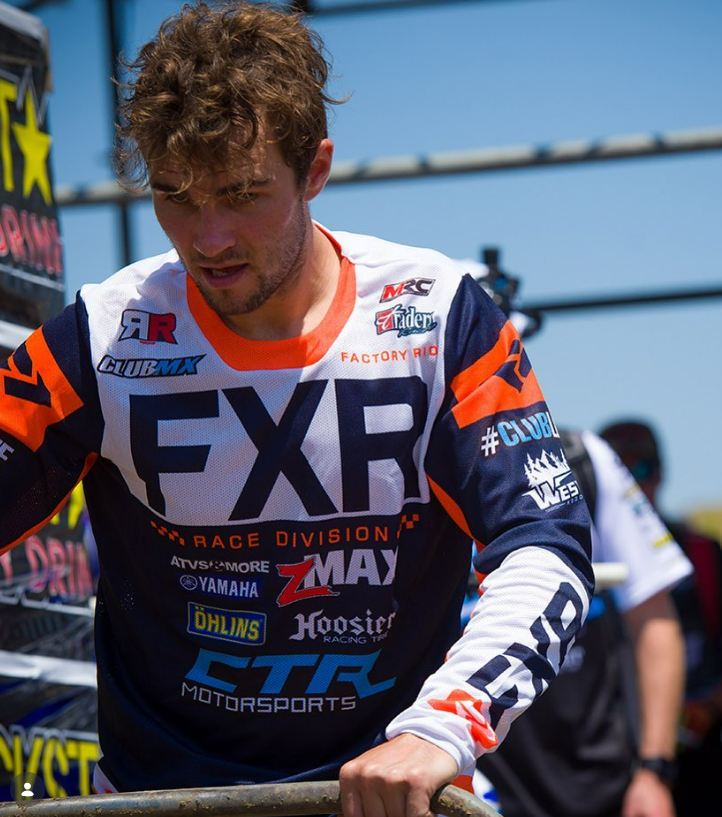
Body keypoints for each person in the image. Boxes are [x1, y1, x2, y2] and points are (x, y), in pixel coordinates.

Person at [0, 3, 593, 815]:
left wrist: (442, 727)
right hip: (159, 797)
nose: (208, 238)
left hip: (392, 792)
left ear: (315, 169)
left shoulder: (437, 313)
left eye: (243, 193)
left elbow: (547, 543)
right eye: (175, 195)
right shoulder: (105, 331)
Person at [477, 429, 690, 817]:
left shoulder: (582, 458)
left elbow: (654, 617)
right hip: (463, 781)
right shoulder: (405, 458)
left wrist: (654, 771)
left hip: (597, 785)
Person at [600, 420, 722, 817]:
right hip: (605, 752)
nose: (632, 484)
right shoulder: (574, 559)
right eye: (619, 470)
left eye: (642, 469)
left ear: (661, 473)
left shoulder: (704, 552)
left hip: (698, 752)